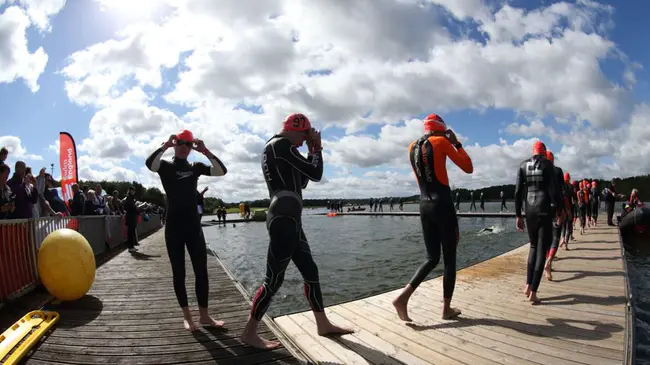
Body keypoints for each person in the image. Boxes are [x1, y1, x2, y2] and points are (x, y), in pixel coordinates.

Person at [242, 113, 352, 349]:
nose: (305, 140)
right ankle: (250, 333)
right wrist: (317, 148)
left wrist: (311, 152)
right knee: (273, 280)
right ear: (297, 128)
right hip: (284, 217)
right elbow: (317, 174)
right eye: (305, 134)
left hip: (290, 217)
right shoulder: (281, 144)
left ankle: (322, 324)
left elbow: (302, 181)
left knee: (310, 271)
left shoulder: (278, 148)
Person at [392, 113, 473, 322]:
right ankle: (446, 309)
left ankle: (403, 297)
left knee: (431, 258)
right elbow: (468, 167)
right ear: (441, 129)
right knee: (449, 260)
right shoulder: (442, 142)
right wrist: (457, 144)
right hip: (443, 205)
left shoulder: (412, 147)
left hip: (424, 205)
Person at [145, 130, 228, 332]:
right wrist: (164, 145)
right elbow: (150, 164)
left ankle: (205, 316)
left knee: (202, 271)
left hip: (193, 227)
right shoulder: (165, 166)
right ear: (175, 144)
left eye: (188, 144)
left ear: (192, 147)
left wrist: (205, 150)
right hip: (173, 227)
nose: (184, 147)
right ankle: (188, 317)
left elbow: (221, 171)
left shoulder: (195, 167)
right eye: (180, 143)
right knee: (179, 273)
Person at [514, 141, 562, 303]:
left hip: (529, 210)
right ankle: (534, 292)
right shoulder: (548, 165)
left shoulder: (522, 165)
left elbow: (517, 192)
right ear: (544, 152)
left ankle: (528, 284)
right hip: (543, 209)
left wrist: (518, 215)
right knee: (542, 250)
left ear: (533, 151)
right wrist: (559, 212)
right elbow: (555, 191)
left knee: (533, 247)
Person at [543, 150, 564, 281]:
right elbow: (560, 191)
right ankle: (549, 262)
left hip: (542, 207)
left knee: (545, 236)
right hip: (555, 206)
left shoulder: (541, 170)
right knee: (556, 235)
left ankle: (546, 260)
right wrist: (561, 210)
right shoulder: (558, 171)